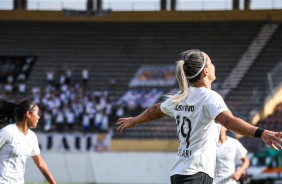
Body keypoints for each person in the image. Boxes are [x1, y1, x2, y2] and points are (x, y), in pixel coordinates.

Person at [116, 49, 282, 184]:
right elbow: (229, 121)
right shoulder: (209, 97)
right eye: (211, 62)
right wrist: (261, 133)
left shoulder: (180, 97)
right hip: (196, 173)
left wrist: (134, 120)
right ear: (205, 71)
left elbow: (154, 110)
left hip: (180, 173)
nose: (214, 65)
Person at [0, 97, 56, 184]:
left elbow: (40, 164)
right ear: (28, 114)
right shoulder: (8, 132)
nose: (39, 117)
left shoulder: (32, 137)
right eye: (37, 113)